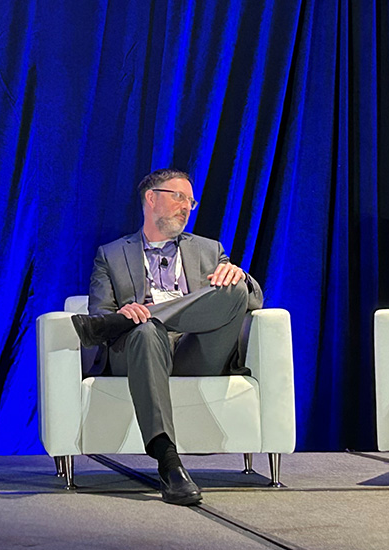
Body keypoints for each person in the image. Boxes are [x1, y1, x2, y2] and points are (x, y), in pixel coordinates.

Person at [69, 168, 263, 506]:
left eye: (191, 202)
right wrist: (123, 314)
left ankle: (147, 315)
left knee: (234, 289)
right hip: (140, 350)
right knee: (145, 330)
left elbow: (254, 300)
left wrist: (240, 277)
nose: (186, 207)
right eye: (179, 197)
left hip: (195, 349)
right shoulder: (111, 254)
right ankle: (169, 464)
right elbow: (100, 314)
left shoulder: (210, 249)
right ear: (151, 198)